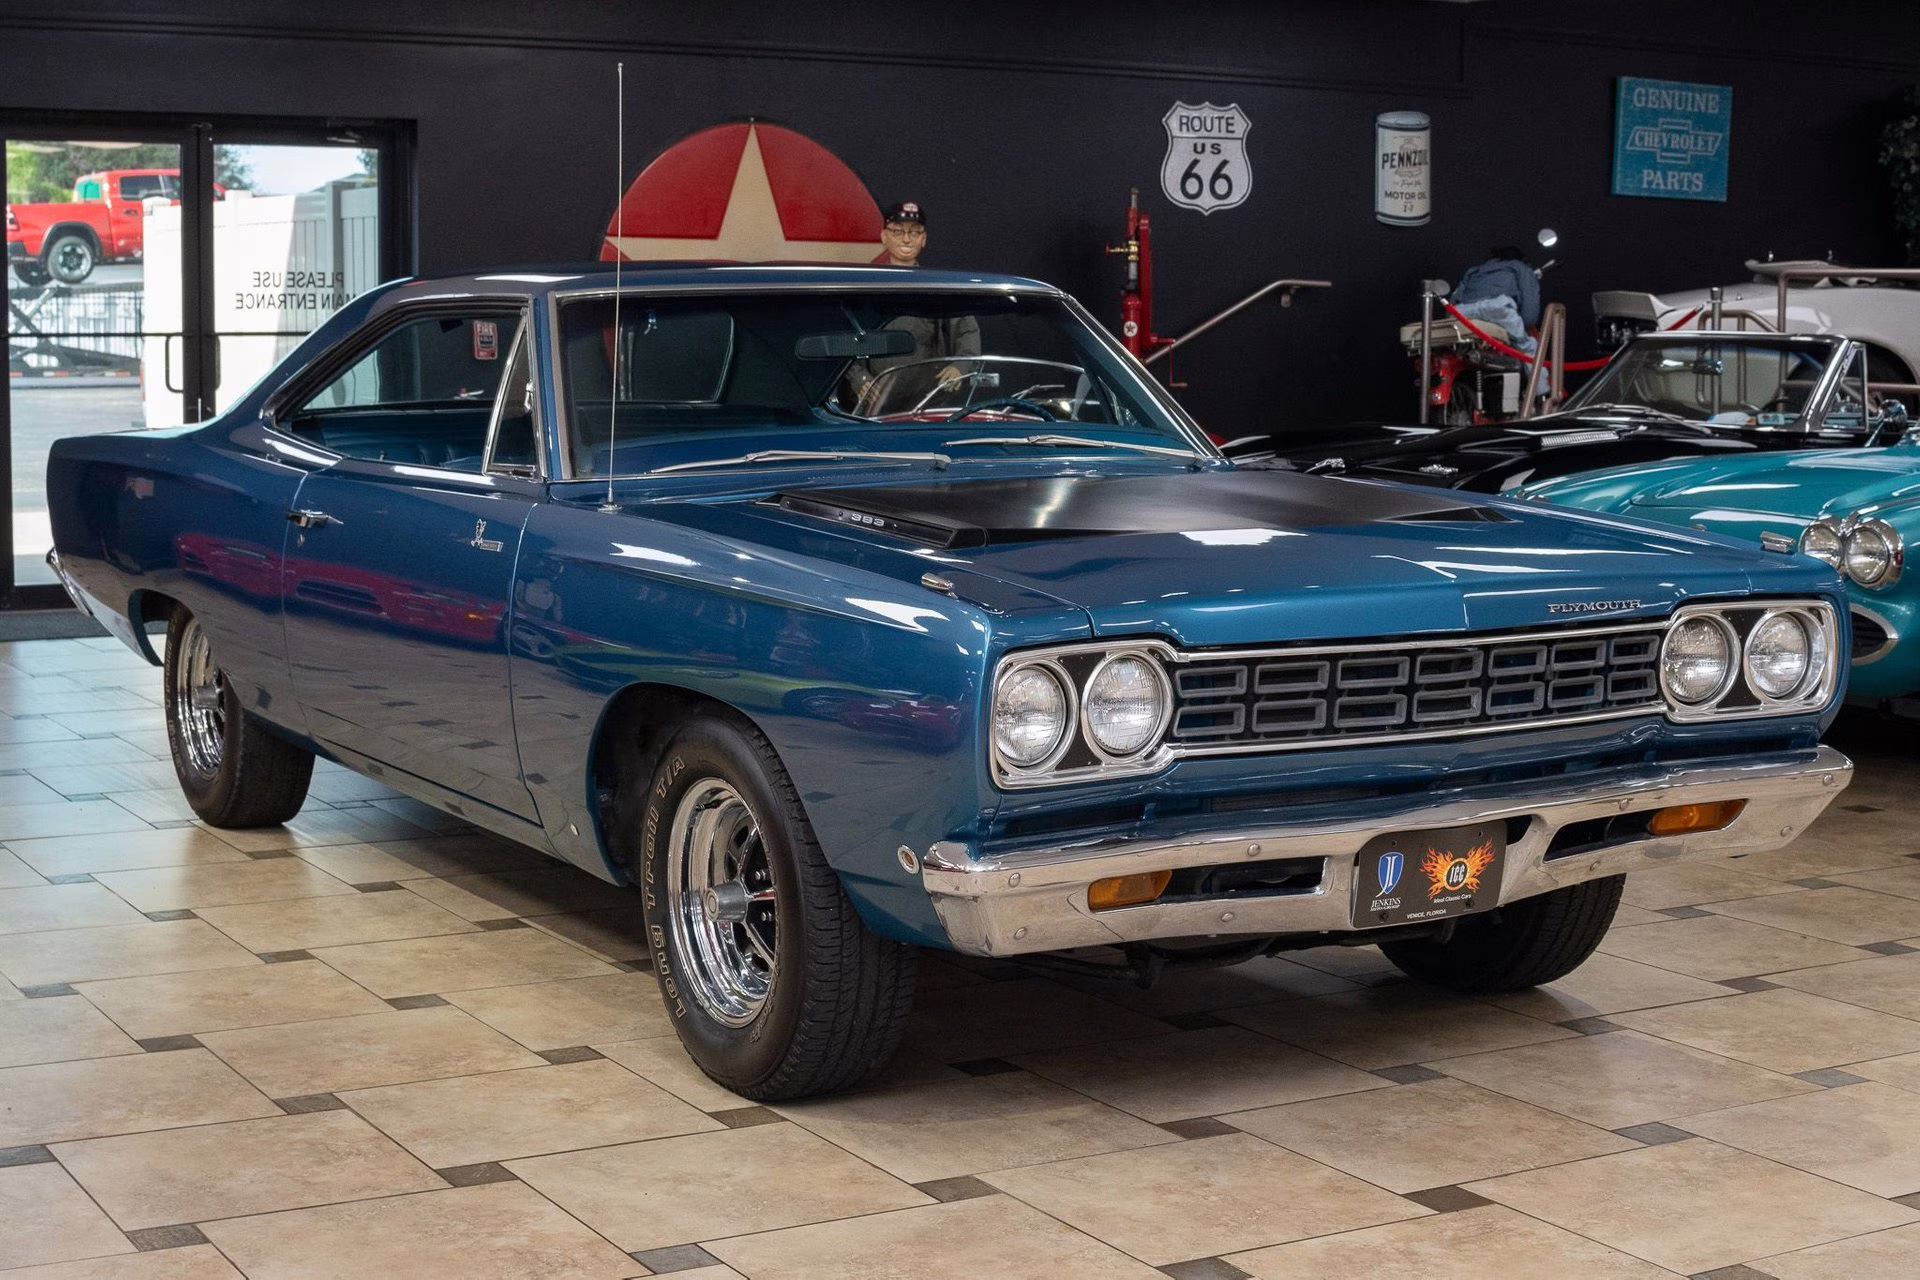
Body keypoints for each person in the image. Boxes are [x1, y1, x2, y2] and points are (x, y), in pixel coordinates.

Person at [856, 201, 980, 407]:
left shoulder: (939, 289)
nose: (906, 239)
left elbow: (967, 331)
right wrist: (857, 378)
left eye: (914, 233)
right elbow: (846, 337)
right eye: (897, 231)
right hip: (875, 399)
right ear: (884, 237)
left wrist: (960, 366)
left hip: (928, 401)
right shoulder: (865, 288)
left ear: (923, 239)